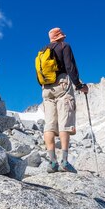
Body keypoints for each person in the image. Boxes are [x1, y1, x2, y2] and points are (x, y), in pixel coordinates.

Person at [41, 27, 88, 172]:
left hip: (46, 89)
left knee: (49, 124)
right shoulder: (64, 46)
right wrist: (79, 85)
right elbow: (70, 67)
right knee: (64, 122)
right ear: (60, 36)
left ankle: (52, 162)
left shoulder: (43, 50)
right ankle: (64, 161)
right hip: (62, 84)